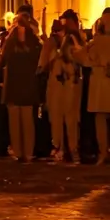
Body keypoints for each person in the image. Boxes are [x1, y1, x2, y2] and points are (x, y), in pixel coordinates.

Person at [79, 8, 110, 165]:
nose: (106, 23)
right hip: (99, 81)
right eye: (104, 20)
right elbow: (85, 58)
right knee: (100, 119)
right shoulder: (96, 40)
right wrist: (96, 61)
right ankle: (103, 152)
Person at [1, 6, 44, 163]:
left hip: (26, 86)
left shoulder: (34, 43)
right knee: (15, 121)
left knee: (26, 120)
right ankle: (19, 151)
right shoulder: (11, 43)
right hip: (14, 86)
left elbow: (38, 61)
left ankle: (27, 151)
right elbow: (3, 60)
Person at [41, 14, 84, 160]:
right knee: (61, 119)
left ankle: (69, 147)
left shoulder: (71, 46)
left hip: (68, 88)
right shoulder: (55, 49)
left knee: (68, 118)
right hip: (61, 87)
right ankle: (64, 146)